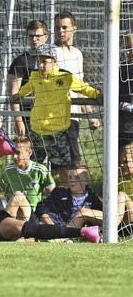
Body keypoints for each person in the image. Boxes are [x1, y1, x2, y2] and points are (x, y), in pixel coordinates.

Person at [16, 44, 101, 181]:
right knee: (33, 167)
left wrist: (97, 94)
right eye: (38, 61)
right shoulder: (35, 76)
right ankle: (36, 197)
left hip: (58, 132)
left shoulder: (65, 77)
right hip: (37, 131)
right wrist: (16, 96)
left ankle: (65, 197)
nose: (41, 65)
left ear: (53, 61)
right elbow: (25, 90)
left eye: (44, 61)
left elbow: (83, 88)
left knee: (63, 168)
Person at [54, 11, 100, 169]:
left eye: (64, 27)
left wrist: (90, 114)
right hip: (54, 115)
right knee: (66, 161)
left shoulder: (77, 54)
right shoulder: (51, 52)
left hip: (73, 115)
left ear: (74, 28)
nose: (61, 31)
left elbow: (80, 86)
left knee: (70, 160)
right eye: (57, 27)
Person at [35, 166, 133, 236]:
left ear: (86, 180)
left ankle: (111, 232)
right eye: (70, 177)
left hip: (81, 228)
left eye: (77, 178)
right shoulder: (60, 192)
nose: (72, 181)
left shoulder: (93, 199)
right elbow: (40, 208)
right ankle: (63, 237)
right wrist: (51, 225)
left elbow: (100, 216)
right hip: (62, 228)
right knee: (83, 212)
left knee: (121, 195)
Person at [7, 19, 49, 137]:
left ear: (46, 36)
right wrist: (18, 120)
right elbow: (14, 93)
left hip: (50, 116)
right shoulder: (20, 61)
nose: (34, 39)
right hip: (28, 116)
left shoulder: (53, 59)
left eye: (38, 36)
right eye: (31, 36)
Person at [1, 136, 55, 221]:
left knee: (18, 195)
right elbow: (5, 191)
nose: (14, 156)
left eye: (18, 153)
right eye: (13, 152)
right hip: (14, 212)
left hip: (33, 214)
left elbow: (52, 192)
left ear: (29, 153)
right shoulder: (8, 170)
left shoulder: (40, 170)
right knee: (16, 196)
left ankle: (3, 224)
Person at [118, 33, 133, 200]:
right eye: (128, 46)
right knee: (123, 164)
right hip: (122, 127)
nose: (129, 50)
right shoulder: (121, 68)